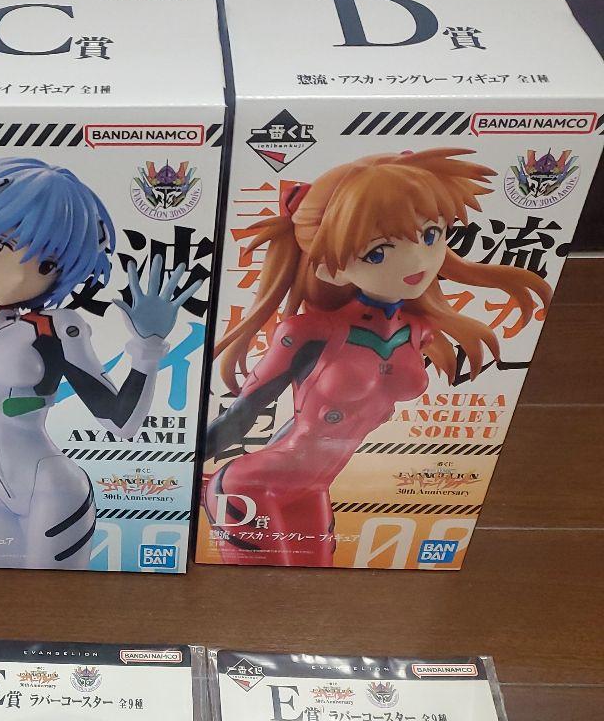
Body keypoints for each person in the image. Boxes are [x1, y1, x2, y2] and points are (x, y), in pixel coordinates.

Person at [204, 149, 551, 567]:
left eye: (430, 235)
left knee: (314, 585)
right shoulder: (308, 332)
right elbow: (241, 417)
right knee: (256, 592)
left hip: (315, 487)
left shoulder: (418, 330)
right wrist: (174, 471)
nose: (418, 260)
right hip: (248, 487)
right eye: (378, 252)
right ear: (330, 269)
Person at [0, 157, 199, 569]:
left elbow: (121, 422)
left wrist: (148, 347)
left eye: (46, 265)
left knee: (55, 600)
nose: (18, 276)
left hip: (53, 489)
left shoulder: (55, 329)